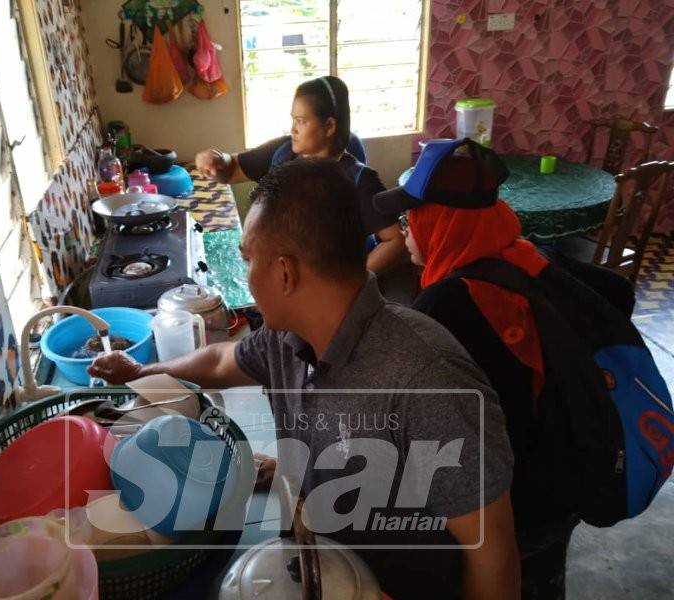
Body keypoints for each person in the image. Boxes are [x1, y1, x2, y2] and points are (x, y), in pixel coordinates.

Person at [90, 159, 520, 599]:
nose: (246, 277)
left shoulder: (426, 380)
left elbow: (493, 557)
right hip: (317, 564)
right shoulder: (286, 337)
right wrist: (144, 371)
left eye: (247, 260)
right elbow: (222, 361)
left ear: (284, 272)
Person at [372, 138, 579, 599]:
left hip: (516, 501)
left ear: (442, 221)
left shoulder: (449, 304)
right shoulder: (524, 256)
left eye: (410, 219)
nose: (404, 231)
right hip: (565, 475)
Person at [194, 75, 405, 275]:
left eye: (301, 121)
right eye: (293, 120)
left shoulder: (359, 180)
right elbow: (233, 170)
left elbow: (395, 240)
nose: (293, 129)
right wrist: (219, 161)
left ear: (329, 126)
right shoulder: (284, 152)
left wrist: (356, 283)